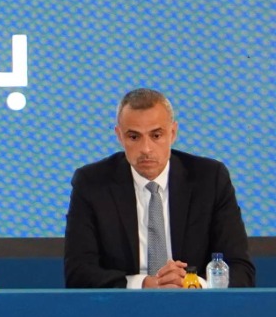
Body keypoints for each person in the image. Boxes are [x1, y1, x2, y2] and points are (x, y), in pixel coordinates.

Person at [64, 88, 253, 289]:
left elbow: (240, 270)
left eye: (156, 135)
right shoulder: (92, 183)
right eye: (134, 137)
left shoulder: (210, 179)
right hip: (123, 304)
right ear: (119, 136)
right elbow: (78, 273)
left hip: (195, 303)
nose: (146, 149)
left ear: (173, 133)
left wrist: (193, 284)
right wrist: (144, 284)